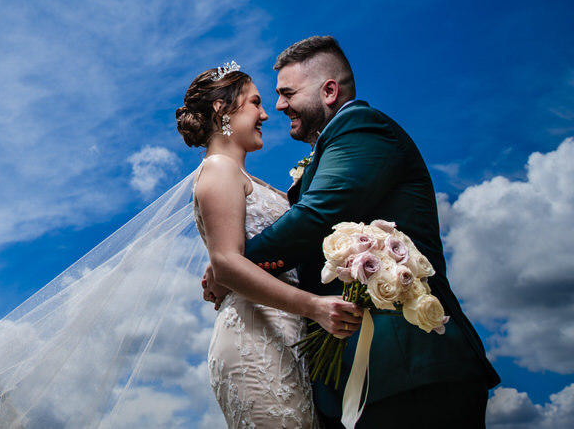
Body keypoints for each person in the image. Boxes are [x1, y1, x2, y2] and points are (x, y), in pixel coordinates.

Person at [207, 36, 499, 428]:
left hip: (407, 366)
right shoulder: (332, 146)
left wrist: (232, 264)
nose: (278, 107)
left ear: (329, 91)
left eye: (287, 93)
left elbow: (314, 217)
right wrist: (230, 265)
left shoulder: (362, 129)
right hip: (356, 377)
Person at [182, 62, 362, 429]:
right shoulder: (219, 169)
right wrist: (315, 306)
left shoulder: (240, 175)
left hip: (282, 335)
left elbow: (238, 252)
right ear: (222, 109)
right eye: (255, 103)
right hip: (255, 337)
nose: (265, 114)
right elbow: (227, 262)